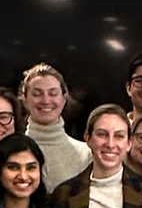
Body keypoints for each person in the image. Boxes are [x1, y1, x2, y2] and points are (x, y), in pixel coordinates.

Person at [20, 62, 90, 190]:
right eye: (37, 94)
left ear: (63, 99)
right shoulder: (12, 151)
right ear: (25, 100)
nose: (46, 101)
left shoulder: (86, 154)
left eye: (53, 93)